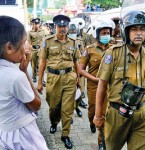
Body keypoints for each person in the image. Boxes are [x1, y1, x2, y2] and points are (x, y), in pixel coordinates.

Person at [94, 10, 145, 150]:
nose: (139, 33)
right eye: (134, 29)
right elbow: (102, 86)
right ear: (126, 32)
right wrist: (98, 115)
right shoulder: (113, 53)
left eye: (142, 29)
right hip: (117, 114)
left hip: (142, 114)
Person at [0, 16, 48, 150]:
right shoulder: (15, 77)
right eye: (23, 42)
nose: (26, 47)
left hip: (5, 132)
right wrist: (24, 72)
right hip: (22, 137)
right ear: (9, 47)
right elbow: (36, 105)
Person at [38, 14, 81, 149]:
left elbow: (76, 61)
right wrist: (39, 82)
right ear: (55, 27)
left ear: (68, 28)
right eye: (59, 26)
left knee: (67, 109)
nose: (62, 29)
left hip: (69, 78)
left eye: (64, 26)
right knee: (53, 106)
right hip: (53, 78)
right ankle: (54, 122)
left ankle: (65, 134)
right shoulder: (48, 41)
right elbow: (42, 62)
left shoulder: (74, 43)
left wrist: (78, 78)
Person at [79, 19, 115, 148]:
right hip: (94, 86)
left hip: (110, 87)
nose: (106, 35)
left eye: (108, 33)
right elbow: (81, 70)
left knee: (104, 113)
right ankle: (91, 121)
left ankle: (101, 141)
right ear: (98, 34)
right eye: (103, 33)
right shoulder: (89, 50)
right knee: (93, 110)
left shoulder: (114, 48)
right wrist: (95, 79)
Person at [28, 18, 45, 85]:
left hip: (41, 50)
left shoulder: (43, 31)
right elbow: (29, 42)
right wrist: (30, 48)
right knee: (34, 64)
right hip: (33, 50)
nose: (37, 25)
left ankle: (42, 79)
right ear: (33, 24)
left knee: (41, 65)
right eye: (35, 24)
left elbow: (45, 40)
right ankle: (34, 76)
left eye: (38, 24)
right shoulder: (30, 32)